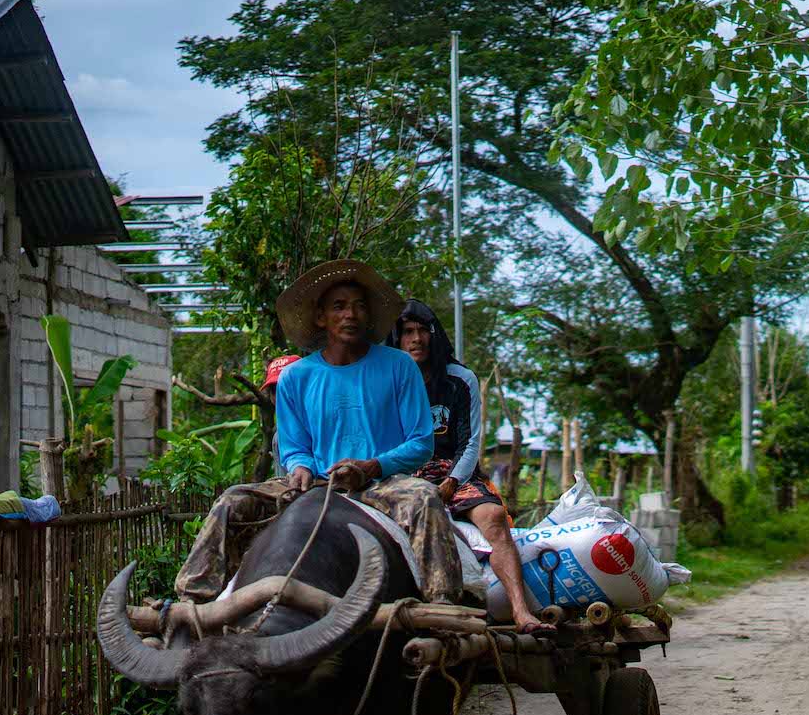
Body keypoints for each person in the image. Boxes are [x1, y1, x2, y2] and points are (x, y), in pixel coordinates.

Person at [174, 260, 462, 604]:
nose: (350, 315)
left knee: (425, 498)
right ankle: (190, 606)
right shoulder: (297, 376)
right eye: (339, 307)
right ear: (320, 317)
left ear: (369, 316)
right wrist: (299, 468)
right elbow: (294, 447)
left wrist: (370, 467)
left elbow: (421, 443)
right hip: (317, 485)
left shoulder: (399, 366)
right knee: (232, 501)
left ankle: (444, 605)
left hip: (381, 485)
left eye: (358, 307)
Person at [390, 300, 555, 635]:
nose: (417, 339)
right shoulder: (386, 381)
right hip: (403, 474)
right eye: (408, 332)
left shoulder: (460, 379)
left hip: (455, 471)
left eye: (424, 330)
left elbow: (470, 443)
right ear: (397, 339)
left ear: (435, 336)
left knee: (494, 518)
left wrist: (451, 481)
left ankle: (521, 612)